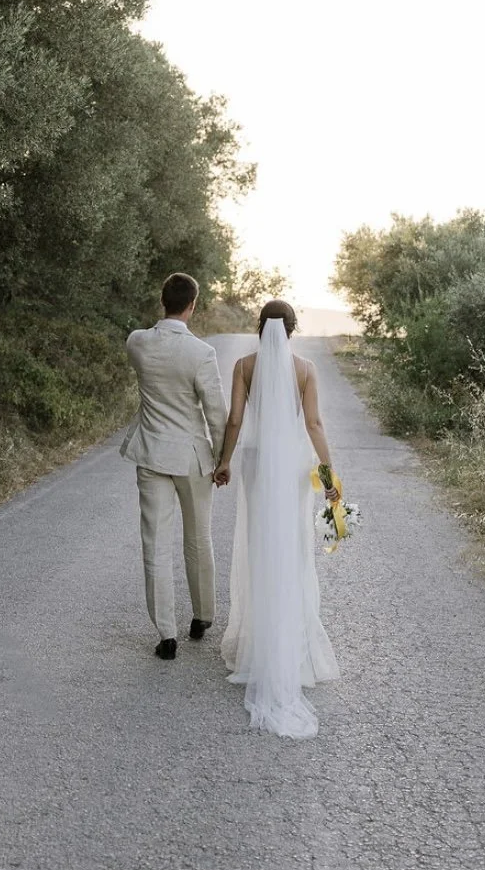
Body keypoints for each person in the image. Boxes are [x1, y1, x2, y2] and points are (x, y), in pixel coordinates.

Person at [214, 299, 341, 738]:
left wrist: (224, 462)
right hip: (290, 468)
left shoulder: (244, 367)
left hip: (256, 464)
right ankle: (293, 648)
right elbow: (314, 424)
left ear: (259, 327)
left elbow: (235, 420)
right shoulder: (305, 369)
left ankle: (260, 645)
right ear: (291, 328)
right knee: (290, 548)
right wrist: (329, 477)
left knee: (261, 547)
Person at [120, 272, 228, 660]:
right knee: (198, 537)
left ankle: (166, 634)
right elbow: (216, 414)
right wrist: (222, 460)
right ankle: (202, 616)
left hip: (151, 453)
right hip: (192, 458)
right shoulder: (201, 353)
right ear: (192, 305)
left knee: (155, 542)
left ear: (162, 301)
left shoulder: (137, 342)